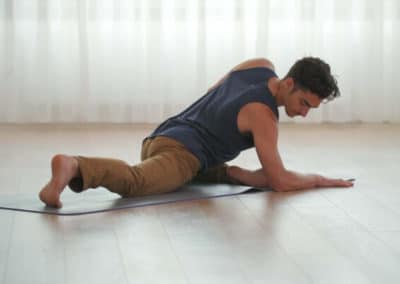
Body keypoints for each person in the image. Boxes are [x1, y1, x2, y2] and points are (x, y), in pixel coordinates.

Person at [39, 57, 354, 208]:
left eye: (311, 108)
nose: (304, 113)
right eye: (304, 103)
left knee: (239, 174)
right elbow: (281, 182)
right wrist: (319, 180)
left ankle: (222, 171)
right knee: (136, 183)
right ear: (288, 83)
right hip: (182, 155)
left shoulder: (258, 65)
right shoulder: (264, 118)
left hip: (162, 136)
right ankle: (75, 165)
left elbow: (214, 92)